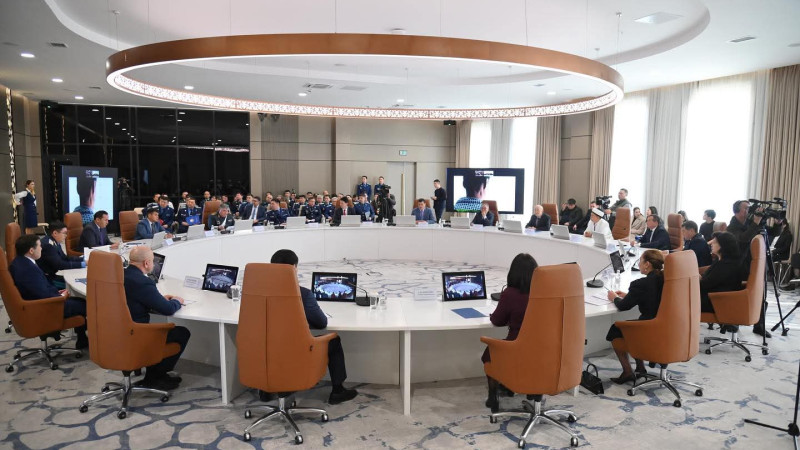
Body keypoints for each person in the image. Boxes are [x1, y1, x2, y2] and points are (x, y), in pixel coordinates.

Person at [269, 249, 358, 404]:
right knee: (333, 340)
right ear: (294, 268)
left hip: (267, 349)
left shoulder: (258, 292)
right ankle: (338, 391)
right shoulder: (303, 294)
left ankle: (265, 391)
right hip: (296, 350)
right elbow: (321, 323)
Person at [123, 246, 190, 390]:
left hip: (119, 333)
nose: (154, 264)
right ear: (146, 263)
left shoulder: (121, 275)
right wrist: (177, 301)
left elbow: (134, 299)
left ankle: (154, 374)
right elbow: (168, 309)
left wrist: (158, 299)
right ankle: (155, 377)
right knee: (182, 333)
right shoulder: (143, 282)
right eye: (153, 261)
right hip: (137, 334)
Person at [10, 234, 87, 349]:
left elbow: (39, 288)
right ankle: (85, 339)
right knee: (85, 304)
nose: (41, 248)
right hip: (44, 308)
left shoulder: (20, 262)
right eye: (39, 246)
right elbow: (42, 294)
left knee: (78, 300)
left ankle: (82, 339)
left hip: (37, 303)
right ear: (31, 250)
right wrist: (60, 296)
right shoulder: (28, 270)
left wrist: (58, 292)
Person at [482, 253, 538, 411]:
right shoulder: (544, 293)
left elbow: (497, 321)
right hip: (541, 349)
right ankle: (520, 388)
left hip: (516, 347)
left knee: (490, 353)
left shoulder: (510, 294)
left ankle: (493, 396)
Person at [605, 250, 665, 384]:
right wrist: (630, 295)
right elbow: (652, 297)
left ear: (647, 264)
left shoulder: (640, 284)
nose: (638, 264)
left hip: (648, 328)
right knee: (634, 326)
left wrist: (614, 297)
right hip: (666, 327)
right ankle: (640, 368)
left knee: (616, 329)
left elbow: (623, 306)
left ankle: (627, 372)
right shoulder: (666, 279)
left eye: (640, 261)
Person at [700, 232, 743, 318]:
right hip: (711, 297)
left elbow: (705, 284)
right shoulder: (721, 261)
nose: (711, 243)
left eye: (715, 242)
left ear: (723, 246)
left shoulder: (726, 265)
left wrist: (696, 278)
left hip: (716, 301)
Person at [37, 220, 85, 288]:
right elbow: (60, 265)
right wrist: (82, 264)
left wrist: (82, 259)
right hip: (48, 279)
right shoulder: (48, 245)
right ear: (55, 233)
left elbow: (64, 257)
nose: (66, 236)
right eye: (64, 233)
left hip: (53, 275)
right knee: (76, 285)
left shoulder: (55, 241)